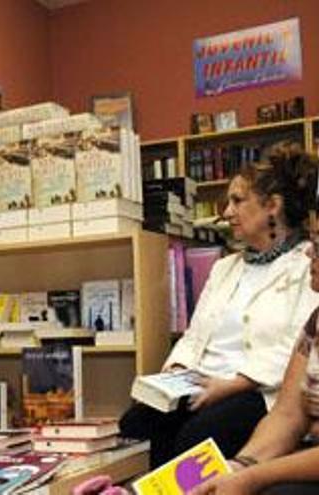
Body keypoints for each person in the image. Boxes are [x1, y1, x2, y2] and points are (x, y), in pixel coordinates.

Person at [119, 143, 319, 468]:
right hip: (201, 381)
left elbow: (294, 348)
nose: (226, 212)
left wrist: (229, 386)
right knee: (137, 422)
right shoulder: (224, 267)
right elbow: (194, 336)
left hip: (259, 389)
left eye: (237, 201)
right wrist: (175, 373)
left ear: (273, 206)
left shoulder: (307, 265)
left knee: (194, 439)